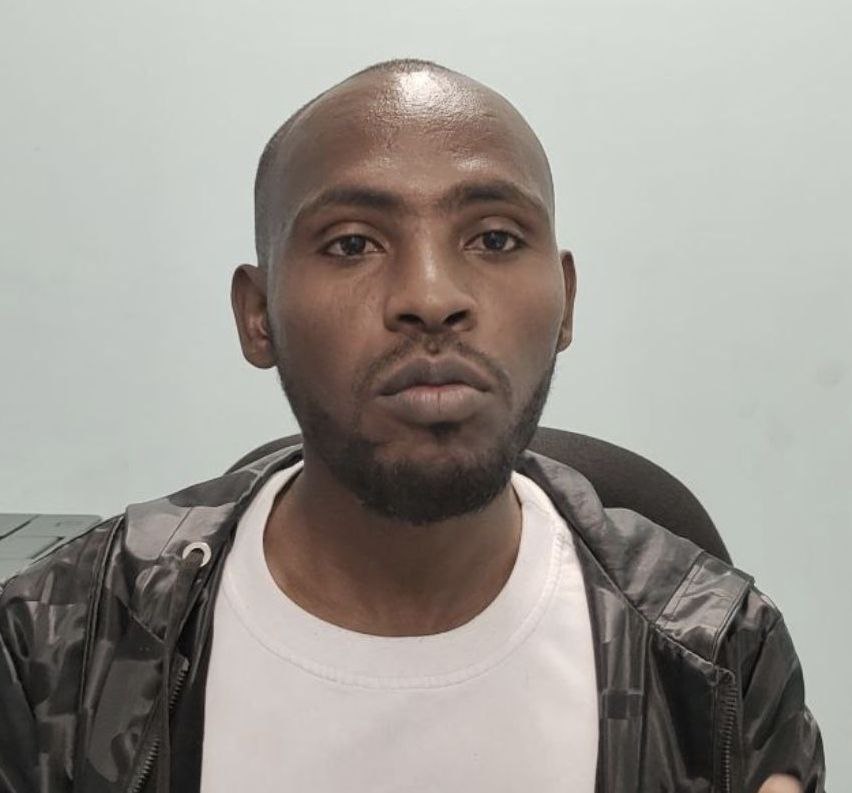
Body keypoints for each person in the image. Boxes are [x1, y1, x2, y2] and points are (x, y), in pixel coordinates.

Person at [0, 59, 825, 793]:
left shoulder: (717, 658)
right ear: (258, 315)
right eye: (352, 244)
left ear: (566, 302)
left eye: (495, 238)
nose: (431, 296)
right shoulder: (55, 647)